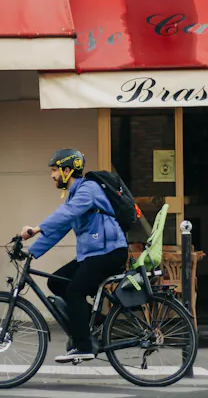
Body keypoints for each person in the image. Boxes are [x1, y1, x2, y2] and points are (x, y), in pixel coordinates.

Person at [21, 149, 129, 363]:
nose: (52, 176)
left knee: (75, 292)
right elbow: (61, 228)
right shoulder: (76, 195)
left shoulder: (88, 189)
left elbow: (67, 213)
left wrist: (36, 228)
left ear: (67, 171)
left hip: (109, 252)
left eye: (54, 170)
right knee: (56, 282)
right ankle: (95, 322)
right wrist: (31, 252)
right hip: (95, 254)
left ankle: (83, 346)